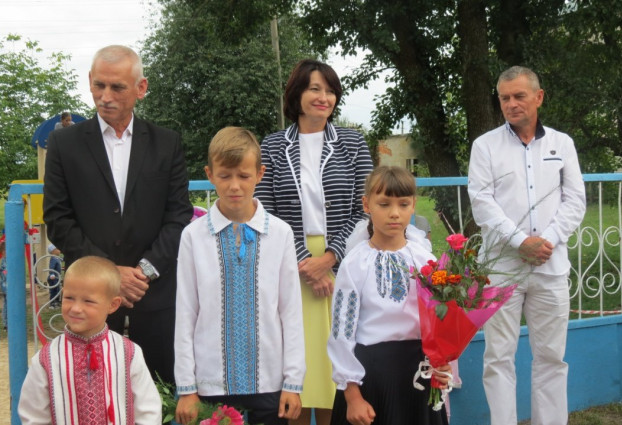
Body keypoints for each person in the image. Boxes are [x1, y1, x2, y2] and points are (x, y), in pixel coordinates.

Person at [43, 45, 193, 384]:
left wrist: (144, 272)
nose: (105, 96)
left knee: (159, 392)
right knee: (91, 394)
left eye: (117, 87)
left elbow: (178, 216)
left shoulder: (166, 143)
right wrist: (110, 273)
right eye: (99, 85)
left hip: (153, 296)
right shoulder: (64, 144)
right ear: (89, 81)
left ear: (141, 88)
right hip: (90, 301)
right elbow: (58, 219)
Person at [255, 59, 373, 425]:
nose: (324, 97)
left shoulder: (352, 142)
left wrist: (330, 258)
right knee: (298, 363)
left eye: (330, 91)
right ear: (297, 94)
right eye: (314, 89)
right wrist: (305, 262)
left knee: (334, 363)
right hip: (291, 266)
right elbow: (265, 209)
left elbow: (365, 207)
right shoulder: (273, 145)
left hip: (343, 265)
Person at [467, 66, 586, 425]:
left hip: (550, 267)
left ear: (539, 97)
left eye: (519, 96)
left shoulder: (562, 144)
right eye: (504, 97)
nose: (511, 103)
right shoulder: (485, 146)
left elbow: (575, 200)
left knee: (551, 358)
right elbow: (482, 203)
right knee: (498, 358)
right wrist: (521, 242)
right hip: (501, 269)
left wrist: (546, 241)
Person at [174, 127, 305, 425]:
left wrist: (293, 382)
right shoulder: (193, 236)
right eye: (225, 175)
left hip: (270, 382)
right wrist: (187, 387)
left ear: (260, 174)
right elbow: (185, 313)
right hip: (210, 383)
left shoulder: (281, 233)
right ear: (210, 174)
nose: (234, 186)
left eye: (244, 176)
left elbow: (291, 313)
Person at [328, 166, 451, 425]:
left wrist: (442, 362)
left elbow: (441, 321)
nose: (394, 213)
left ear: (413, 205)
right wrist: (352, 395)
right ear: (367, 205)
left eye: (403, 204)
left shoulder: (425, 261)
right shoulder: (354, 264)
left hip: (418, 374)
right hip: (371, 377)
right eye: (384, 204)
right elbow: (341, 332)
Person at [18, 256, 161, 424]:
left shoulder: (128, 353)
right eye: (69, 298)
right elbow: (33, 415)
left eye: (88, 301)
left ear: (113, 305)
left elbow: (148, 409)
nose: (76, 308)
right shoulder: (47, 358)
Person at [46, 244, 62, 309]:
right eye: (57, 249)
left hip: (57, 278)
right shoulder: (53, 259)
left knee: (57, 289)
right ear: (53, 251)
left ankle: (56, 302)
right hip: (53, 278)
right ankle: (52, 304)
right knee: (53, 290)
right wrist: (52, 274)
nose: (59, 250)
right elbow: (51, 267)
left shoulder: (57, 258)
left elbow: (62, 260)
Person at [0, 236, 7, 330]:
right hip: (7, 287)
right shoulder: (5, 261)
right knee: (7, 305)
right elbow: (6, 274)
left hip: (6, 287)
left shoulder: (4, 260)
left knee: (6, 304)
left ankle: (6, 323)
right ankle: (6, 323)